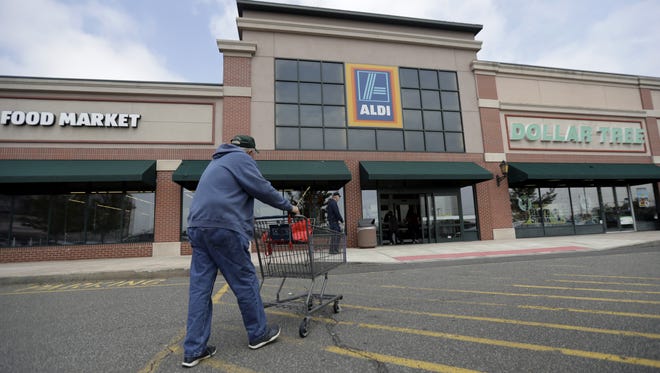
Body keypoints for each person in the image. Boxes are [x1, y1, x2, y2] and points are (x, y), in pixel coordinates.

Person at [182, 135, 300, 368]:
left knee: (200, 289)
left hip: (197, 227)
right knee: (245, 281)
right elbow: (262, 188)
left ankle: (193, 350)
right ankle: (258, 333)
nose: (254, 157)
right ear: (249, 152)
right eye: (254, 153)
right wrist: (290, 206)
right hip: (223, 227)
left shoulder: (216, 162)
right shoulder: (240, 159)